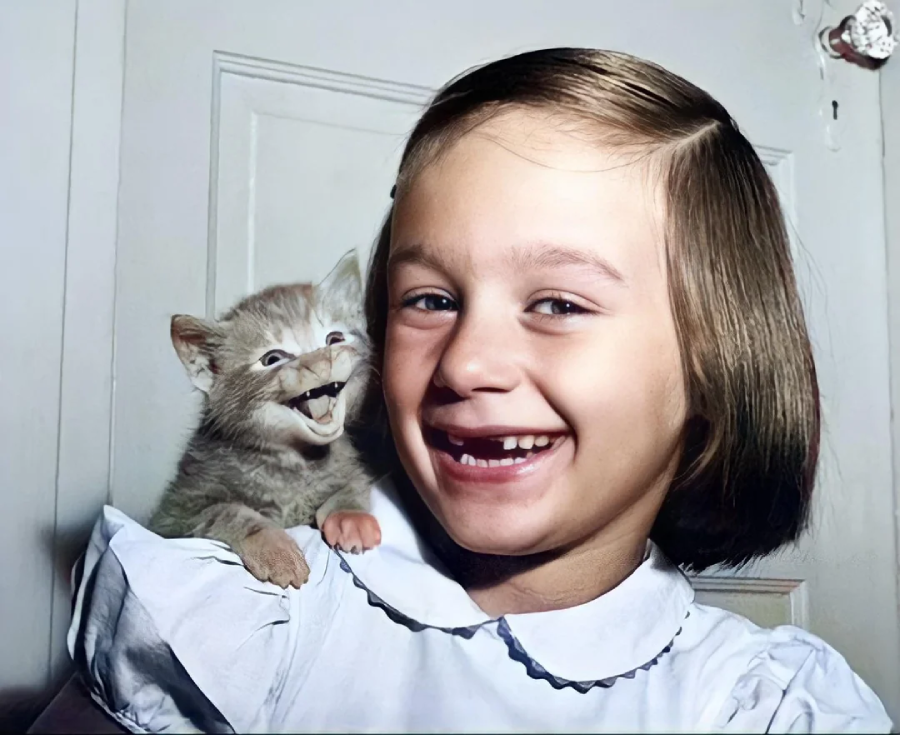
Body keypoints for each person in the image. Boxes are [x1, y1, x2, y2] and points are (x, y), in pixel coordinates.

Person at [69, 48, 892, 733]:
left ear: (716, 363)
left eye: (557, 304)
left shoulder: (761, 706)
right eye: (430, 300)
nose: (464, 364)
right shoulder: (251, 619)